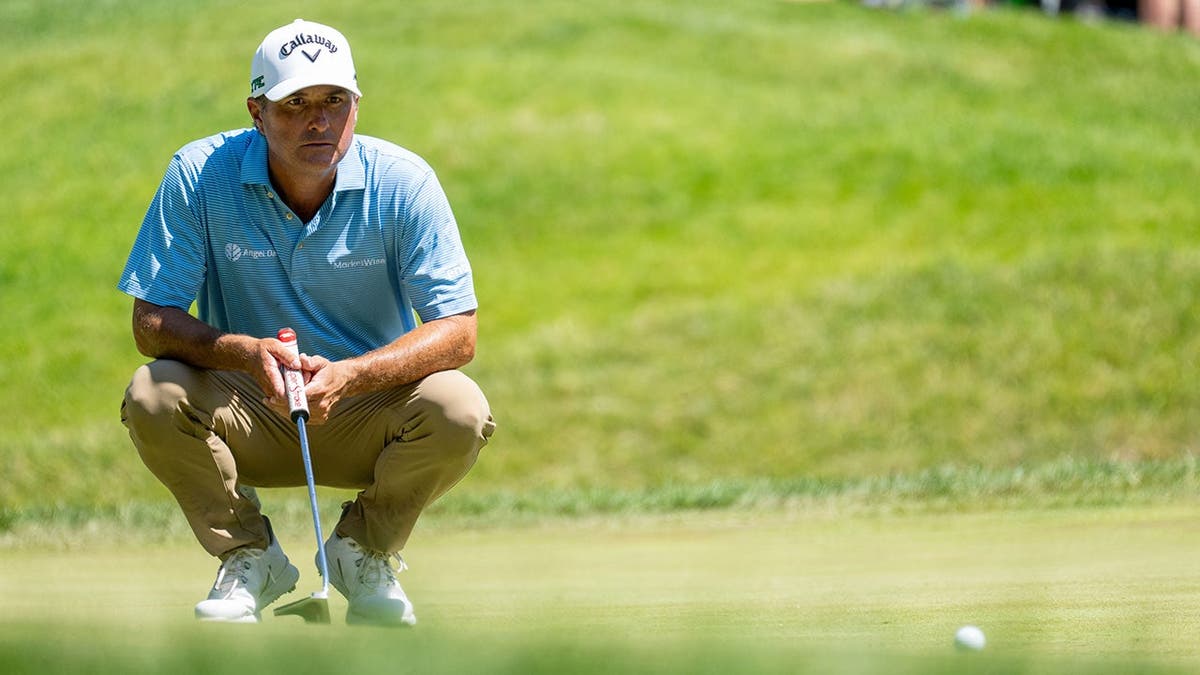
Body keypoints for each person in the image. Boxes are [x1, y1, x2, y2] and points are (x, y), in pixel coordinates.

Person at [117, 18, 495, 626]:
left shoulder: (405, 182)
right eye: (294, 103)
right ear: (257, 112)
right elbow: (150, 323)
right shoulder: (199, 174)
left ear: (356, 106)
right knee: (151, 393)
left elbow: (459, 331)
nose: (318, 121)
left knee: (460, 406)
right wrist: (245, 353)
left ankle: (361, 551)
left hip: (366, 410)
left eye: (334, 101)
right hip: (249, 407)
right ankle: (249, 555)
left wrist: (351, 375)